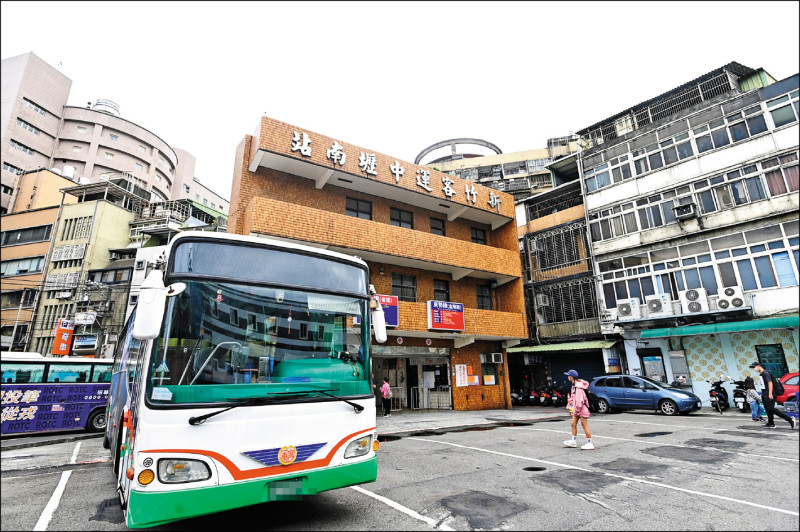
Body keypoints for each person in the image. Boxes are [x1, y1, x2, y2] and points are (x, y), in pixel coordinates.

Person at [749, 362, 796, 429]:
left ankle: (789, 419)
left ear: (759, 366)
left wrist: (770, 394)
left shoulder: (765, 373)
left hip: (769, 394)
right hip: (765, 394)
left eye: (754, 367)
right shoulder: (762, 374)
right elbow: (764, 385)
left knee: (771, 408)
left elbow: (770, 383)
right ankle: (771, 423)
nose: (754, 369)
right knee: (768, 409)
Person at [563, 370, 594, 450]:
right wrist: (570, 407)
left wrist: (575, 410)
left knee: (584, 425)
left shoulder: (578, 387)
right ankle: (573, 441)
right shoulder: (574, 386)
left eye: (568, 376)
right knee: (573, 423)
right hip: (577, 409)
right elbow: (573, 398)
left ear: (571, 377)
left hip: (582, 409)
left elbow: (580, 401)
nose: (567, 377)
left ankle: (590, 443)